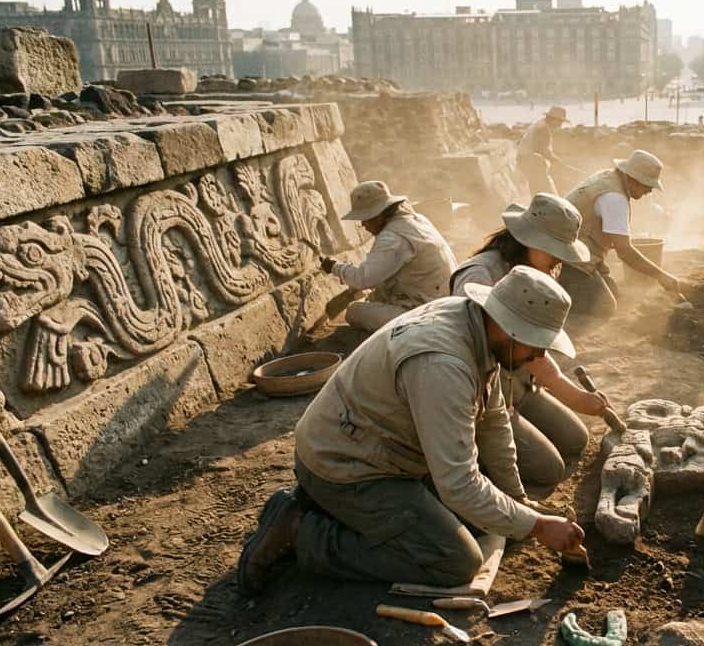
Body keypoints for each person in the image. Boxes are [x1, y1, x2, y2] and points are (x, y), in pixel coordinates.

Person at [236, 267, 586, 594]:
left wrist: (518, 500)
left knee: (494, 519)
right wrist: (538, 526)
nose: (539, 354)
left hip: (376, 449)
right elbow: (459, 484)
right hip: (346, 467)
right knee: (455, 560)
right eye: (535, 342)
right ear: (508, 327)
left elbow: (493, 423)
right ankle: (300, 532)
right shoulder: (443, 364)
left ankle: (327, 508)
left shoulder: (473, 323)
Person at [449, 193, 607, 495]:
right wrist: (572, 396)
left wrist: (575, 396)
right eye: (556, 252)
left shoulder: (540, 269)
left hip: (519, 383)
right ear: (532, 241)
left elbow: (534, 348)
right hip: (485, 393)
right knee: (549, 468)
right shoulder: (480, 275)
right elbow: (471, 351)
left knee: (576, 439)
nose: (560, 262)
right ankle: (479, 459)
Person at [561, 150, 684, 317]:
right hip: (566, 258)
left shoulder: (608, 177)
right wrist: (661, 276)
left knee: (613, 294)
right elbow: (624, 251)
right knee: (604, 307)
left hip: (573, 250)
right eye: (647, 185)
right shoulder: (614, 198)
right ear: (633, 179)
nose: (649, 191)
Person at [323, 180, 457, 333]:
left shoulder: (392, 238)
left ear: (378, 215)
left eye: (365, 218)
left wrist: (334, 267)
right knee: (377, 295)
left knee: (354, 311)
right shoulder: (417, 219)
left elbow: (363, 279)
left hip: (428, 315)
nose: (363, 225)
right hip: (444, 302)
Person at [518, 106, 571, 195]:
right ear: (554, 120)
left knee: (541, 189)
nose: (560, 125)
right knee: (543, 190)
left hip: (528, 160)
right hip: (529, 161)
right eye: (560, 122)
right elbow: (542, 151)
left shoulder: (541, 125)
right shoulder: (542, 129)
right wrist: (557, 161)